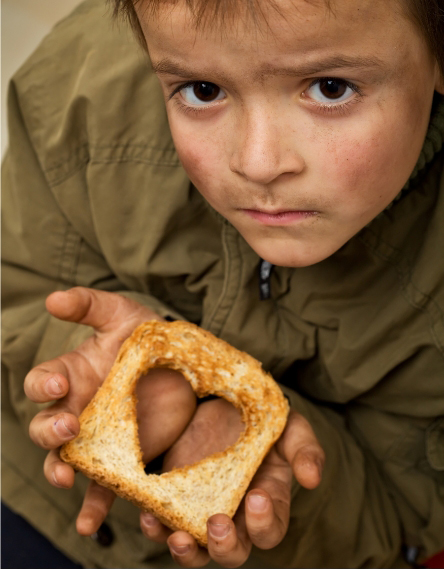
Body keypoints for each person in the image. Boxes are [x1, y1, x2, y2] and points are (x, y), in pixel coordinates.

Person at [2, 0, 444, 567]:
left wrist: (284, 483)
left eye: (331, 87)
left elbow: (405, 512)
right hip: (31, 495)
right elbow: (18, 287)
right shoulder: (78, 92)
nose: (258, 163)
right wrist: (82, 367)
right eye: (203, 91)